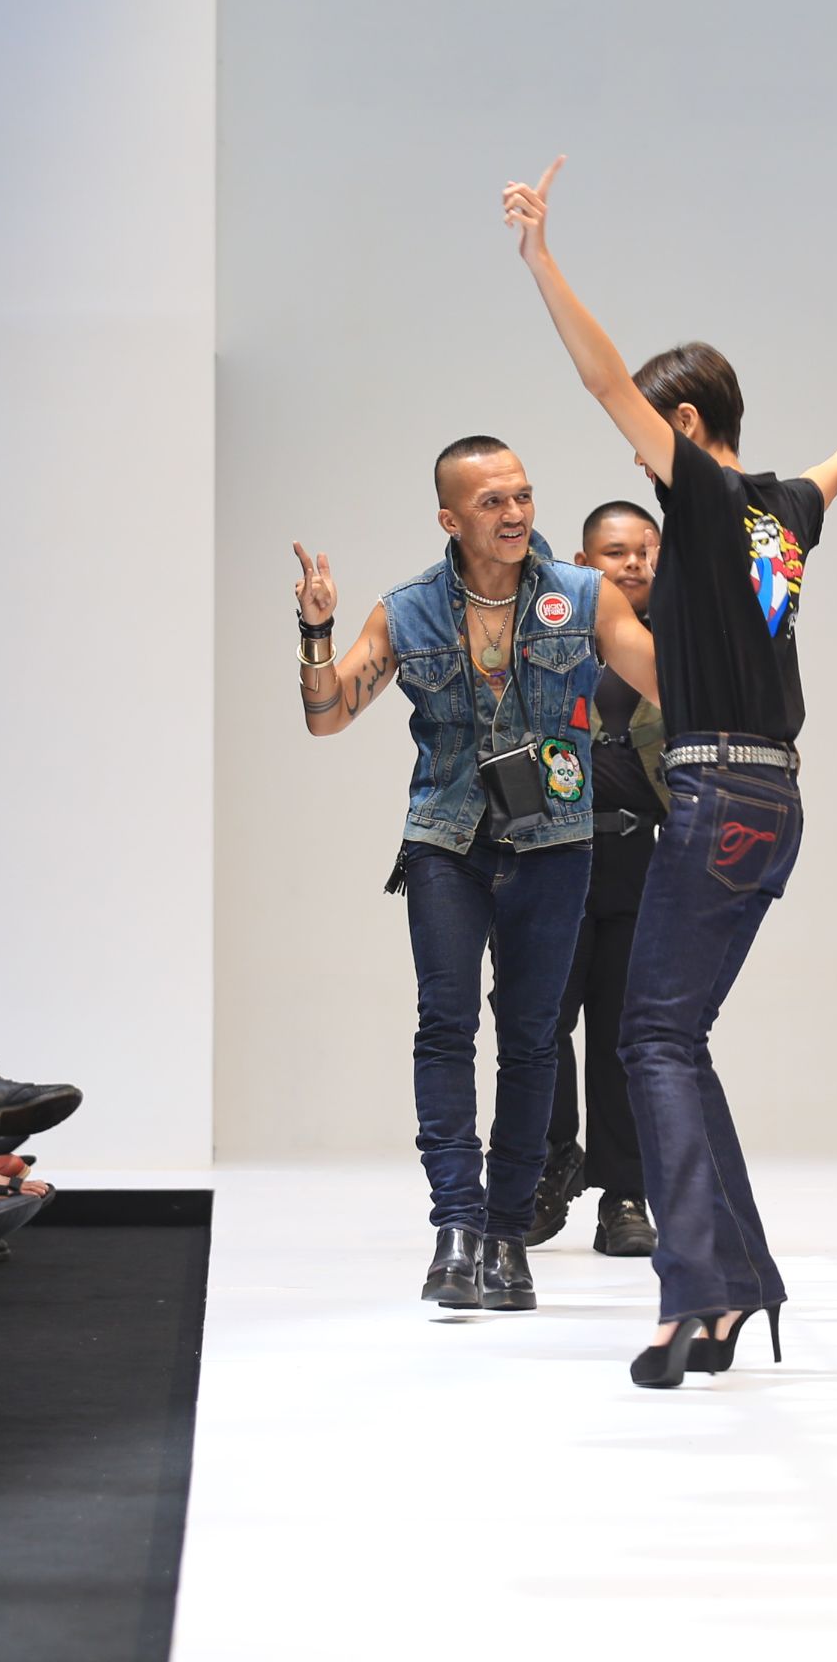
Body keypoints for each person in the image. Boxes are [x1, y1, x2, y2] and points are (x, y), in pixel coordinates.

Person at [502, 154, 837, 1386]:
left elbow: (602, 379)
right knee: (673, 1038)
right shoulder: (781, 512)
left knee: (651, 1038)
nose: (643, 459)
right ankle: (739, 1283)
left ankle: (696, 1292)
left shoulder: (702, 496)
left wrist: (541, 258)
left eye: (655, 438)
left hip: (708, 794)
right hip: (771, 797)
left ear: (687, 428)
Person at [293, 435, 657, 1313]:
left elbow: (665, 677)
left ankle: (505, 1235)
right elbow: (327, 716)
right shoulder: (409, 611)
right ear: (450, 519)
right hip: (446, 841)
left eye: (523, 495)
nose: (515, 513)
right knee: (445, 1029)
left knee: (531, 1040)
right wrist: (316, 632)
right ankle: (455, 1227)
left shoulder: (583, 596)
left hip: (555, 842)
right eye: (492, 501)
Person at [531, 501, 668, 1259]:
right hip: (552, 858)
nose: (635, 564)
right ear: (584, 565)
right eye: (617, 552)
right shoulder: (548, 641)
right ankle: (551, 1166)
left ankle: (624, 1194)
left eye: (646, 550)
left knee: (627, 1032)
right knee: (538, 1023)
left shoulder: (675, 645)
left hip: (640, 860)